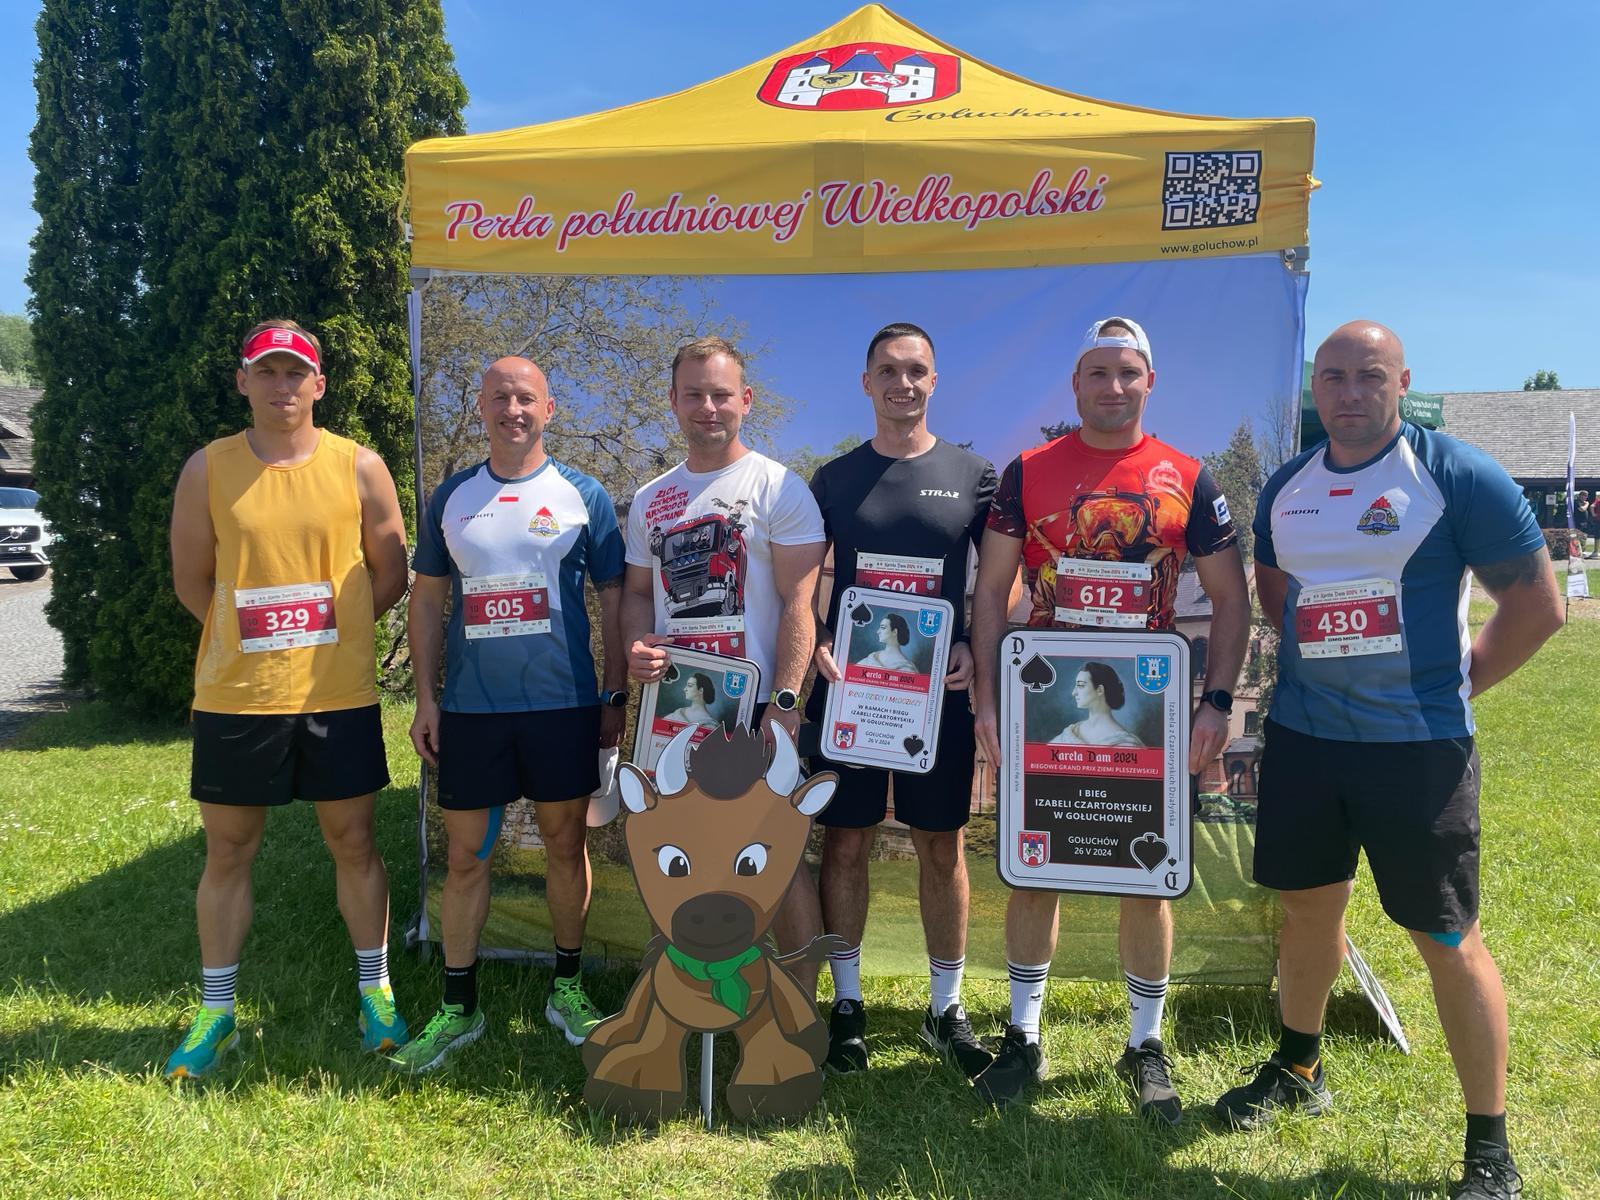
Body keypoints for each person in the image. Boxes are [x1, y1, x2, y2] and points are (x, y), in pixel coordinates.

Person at [1214, 321, 1561, 1200]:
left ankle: (1489, 1149)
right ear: (1315, 389)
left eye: (1370, 376)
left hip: (1418, 751)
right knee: (1306, 912)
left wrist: (1458, 685)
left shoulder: (1455, 474)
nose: (1350, 393)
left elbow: (1537, 604)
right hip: (1306, 743)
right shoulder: (1288, 486)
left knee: (1445, 936)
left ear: (1403, 382)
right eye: (1333, 377)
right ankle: (1299, 1069)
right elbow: (1280, 602)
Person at [971, 316, 1250, 1122]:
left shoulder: (1188, 477)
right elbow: (991, 592)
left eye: (1128, 373)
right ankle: (1023, 1036)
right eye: (1098, 372)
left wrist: (1216, 701)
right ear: (1076, 384)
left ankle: (1144, 1044)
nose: (1114, 387)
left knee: (1145, 876)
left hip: (1147, 712)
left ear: (1149, 382)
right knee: (1036, 870)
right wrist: (987, 696)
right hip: (1048, 702)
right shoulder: (1027, 473)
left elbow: (1231, 599)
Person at [164, 319, 410, 1078]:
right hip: (238, 699)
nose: (282, 386)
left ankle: (376, 994)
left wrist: (335, 636)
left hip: (336, 695)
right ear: (243, 382)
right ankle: (217, 1013)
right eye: (266, 372)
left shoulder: (360, 466)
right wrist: (249, 639)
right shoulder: (208, 468)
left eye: (295, 373)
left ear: (319, 384)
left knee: (355, 843)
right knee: (229, 851)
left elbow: (391, 571)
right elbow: (192, 580)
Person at [393, 356, 627, 1073]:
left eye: (526, 397)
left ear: (549, 409)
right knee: (466, 857)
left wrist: (614, 694)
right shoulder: (452, 497)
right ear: (482, 407)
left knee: (565, 846)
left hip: (563, 706)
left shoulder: (583, 495)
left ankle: (567, 988)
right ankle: (459, 1005)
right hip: (472, 711)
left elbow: (616, 599)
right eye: (499, 397)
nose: (512, 409)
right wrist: (426, 698)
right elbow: (427, 599)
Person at [808, 322, 999, 1081]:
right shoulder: (834, 479)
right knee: (845, 842)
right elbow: (802, 580)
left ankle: (945, 1007)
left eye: (916, 370)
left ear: (934, 381)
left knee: (940, 845)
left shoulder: (973, 475)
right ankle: (847, 1004)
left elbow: (1000, 580)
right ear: (866, 383)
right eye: (887, 370)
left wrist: (972, 647)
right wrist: (821, 637)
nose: (903, 383)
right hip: (852, 694)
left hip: (935, 695)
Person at [621, 336, 828, 990]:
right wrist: (636, 645)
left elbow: (800, 602)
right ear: (673, 402)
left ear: (746, 400)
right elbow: (635, 594)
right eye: (694, 395)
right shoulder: (651, 498)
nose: (708, 408)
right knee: (677, 853)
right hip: (675, 709)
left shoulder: (779, 487)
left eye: (720, 394)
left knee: (774, 855)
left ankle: (799, 1012)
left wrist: (785, 705)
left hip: (755, 710)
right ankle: (686, 998)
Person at [1051, 663, 1144, 747]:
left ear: (1099, 690)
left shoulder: (1126, 743)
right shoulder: (1070, 734)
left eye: (1081, 686)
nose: (1074, 693)